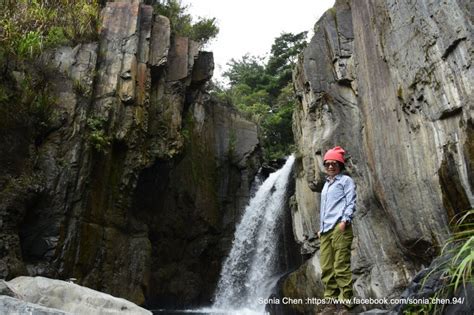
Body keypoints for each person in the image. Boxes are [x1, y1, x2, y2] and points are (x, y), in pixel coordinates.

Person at [316, 146, 356, 315]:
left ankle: (345, 304)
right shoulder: (326, 185)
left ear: (340, 165)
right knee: (326, 267)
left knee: (341, 266)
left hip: (340, 227)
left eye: (334, 163)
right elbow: (325, 208)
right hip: (325, 230)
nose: (331, 166)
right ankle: (330, 304)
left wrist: (345, 220)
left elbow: (351, 201)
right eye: (328, 164)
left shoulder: (345, 181)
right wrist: (321, 228)